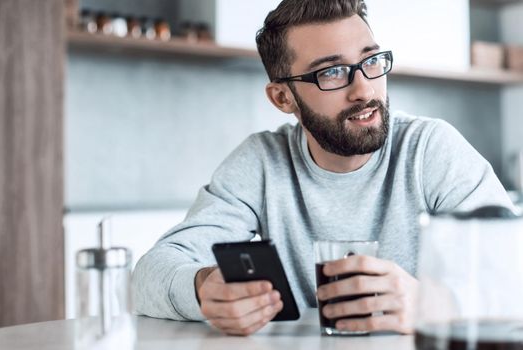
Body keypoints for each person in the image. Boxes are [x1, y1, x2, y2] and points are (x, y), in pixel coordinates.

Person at [132, 0, 513, 336]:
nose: (364, 89)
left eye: (371, 61)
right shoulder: (262, 162)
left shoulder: (430, 149)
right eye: (331, 72)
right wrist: (203, 289)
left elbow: (512, 273)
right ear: (283, 97)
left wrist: (431, 303)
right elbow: (149, 274)